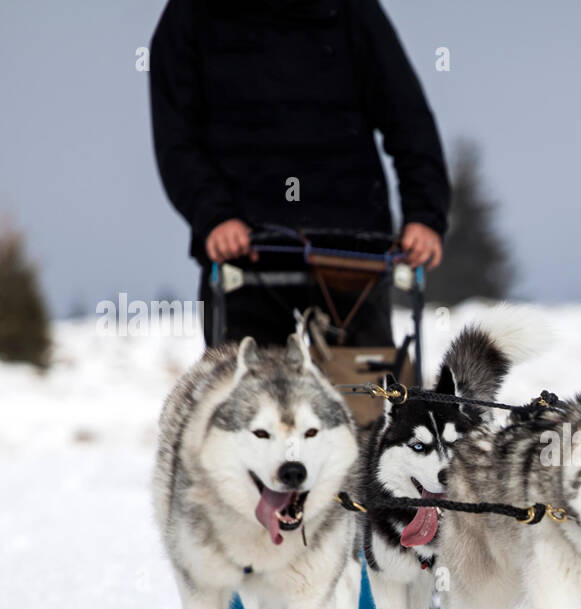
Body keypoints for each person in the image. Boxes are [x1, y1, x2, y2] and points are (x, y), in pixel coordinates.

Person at [148, 0, 450, 348]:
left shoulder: (351, 9)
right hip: (244, 254)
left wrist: (425, 214)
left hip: (352, 248)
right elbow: (176, 139)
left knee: (359, 393)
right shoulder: (189, 15)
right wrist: (215, 217)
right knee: (250, 394)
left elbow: (406, 116)